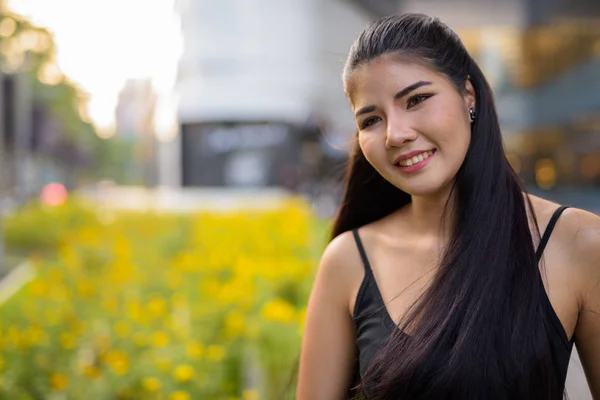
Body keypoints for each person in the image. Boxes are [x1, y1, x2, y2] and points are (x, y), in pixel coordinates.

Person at [295, 13, 600, 400]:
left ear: (468, 96)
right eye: (371, 119)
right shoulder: (349, 260)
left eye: (417, 99)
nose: (395, 134)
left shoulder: (577, 242)